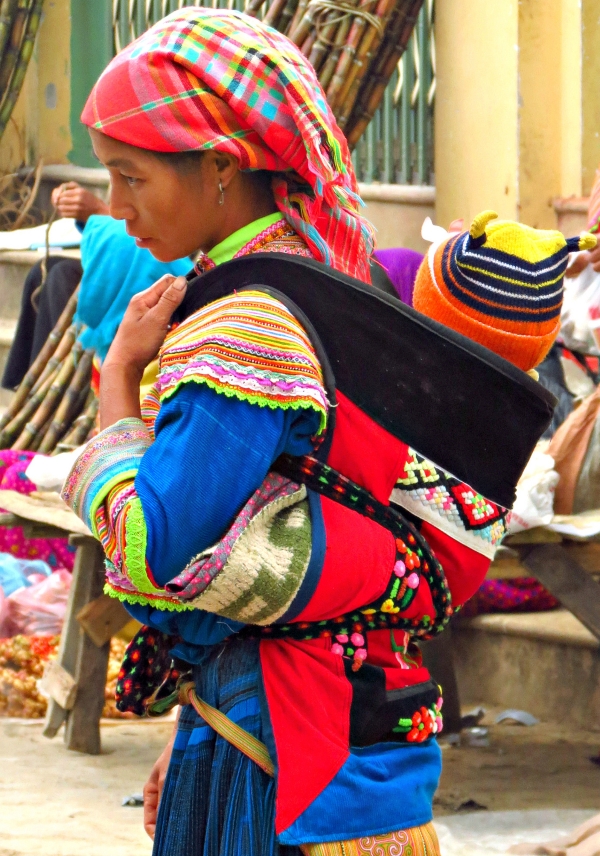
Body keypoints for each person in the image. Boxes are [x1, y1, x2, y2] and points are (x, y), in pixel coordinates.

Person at [61, 9, 520, 856]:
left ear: (223, 168)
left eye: (132, 178)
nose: (115, 207)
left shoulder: (243, 327)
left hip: (280, 754)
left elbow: (152, 553)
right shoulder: (331, 288)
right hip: (346, 722)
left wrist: (119, 381)